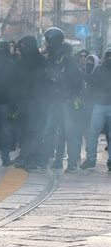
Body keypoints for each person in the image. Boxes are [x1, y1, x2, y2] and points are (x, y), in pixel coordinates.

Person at [40, 27, 84, 173]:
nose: (45, 44)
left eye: (47, 41)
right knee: (51, 131)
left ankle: (71, 163)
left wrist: (64, 88)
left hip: (65, 100)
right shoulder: (51, 56)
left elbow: (77, 79)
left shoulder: (66, 58)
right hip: (53, 100)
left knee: (68, 131)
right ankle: (54, 160)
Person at [14, 36, 46, 171]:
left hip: (37, 101)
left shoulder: (41, 61)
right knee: (25, 130)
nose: (23, 50)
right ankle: (25, 155)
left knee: (35, 130)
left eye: (25, 47)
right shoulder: (21, 61)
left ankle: (34, 157)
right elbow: (16, 81)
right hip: (23, 101)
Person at [81, 49, 111, 172]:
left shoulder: (99, 69)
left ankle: (96, 160)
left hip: (102, 105)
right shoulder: (98, 69)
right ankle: (91, 159)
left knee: (95, 134)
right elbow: (92, 83)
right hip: (99, 104)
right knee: (93, 133)